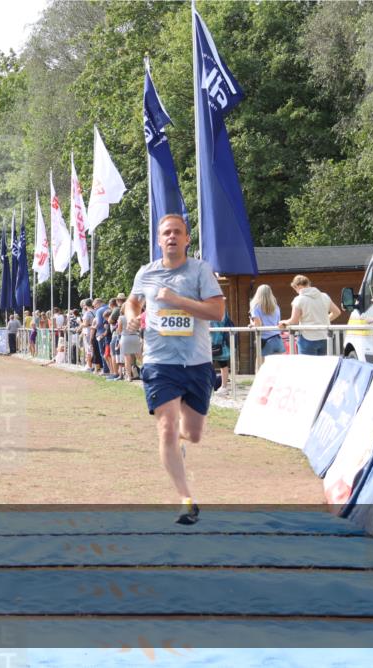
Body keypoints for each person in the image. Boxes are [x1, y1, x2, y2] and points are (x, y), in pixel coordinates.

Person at [124, 214, 224, 525]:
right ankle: (186, 500)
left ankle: (179, 441)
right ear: (158, 240)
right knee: (166, 428)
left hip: (196, 362)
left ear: (186, 239)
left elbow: (217, 311)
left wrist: (177, 300)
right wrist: (132, 316)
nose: (171, 237)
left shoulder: (200, 270)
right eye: (166, 232)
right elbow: (132, 302)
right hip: (159, 362)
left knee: (193, 434)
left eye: (177, 232)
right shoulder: (146, 272)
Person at [279, 275, 341, 356]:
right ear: (308, 284)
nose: (296, 291)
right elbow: (337, 312)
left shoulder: (299, 299)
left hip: (307, 338)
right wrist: (323, 321)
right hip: (324, 337)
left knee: (307, 364)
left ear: (297, 286)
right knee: (322, 364)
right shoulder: (325, 296)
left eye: (295, 288)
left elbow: (294, 321)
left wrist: (283, 322)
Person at [248, 284, 285, 358]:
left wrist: (251, 322)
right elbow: (278, 323)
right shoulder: (276, 307)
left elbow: (258, 325)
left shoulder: (256, 306)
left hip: (265, 340)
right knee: (278, 364)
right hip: (278, 339)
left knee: (261, 363)